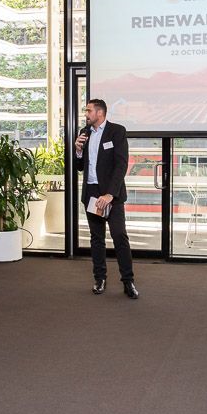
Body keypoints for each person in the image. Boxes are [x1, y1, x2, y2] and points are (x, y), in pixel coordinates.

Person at [74, 99, 138, 299]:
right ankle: (99, 278)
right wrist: (77, 150)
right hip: (91, 193)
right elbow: (81, 166)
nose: (86, 114)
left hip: (112, 195)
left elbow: (121, 165)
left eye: (89, 111)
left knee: (119, 237)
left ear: (100, 112)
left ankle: (128, 282)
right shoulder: (85, 133)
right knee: (96, 239)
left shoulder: (116, 132)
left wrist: (110, 194)